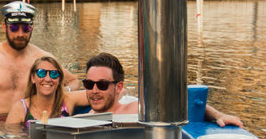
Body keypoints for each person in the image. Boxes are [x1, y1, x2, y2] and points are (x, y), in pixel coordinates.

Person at [0, 1, 78, 120]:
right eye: (14, 28)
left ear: (32, 28)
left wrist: (62, 92)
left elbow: (73, 81)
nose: (20, 34)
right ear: (4, 27)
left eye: (26, 28)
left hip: (26, 126)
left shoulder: (42, 58)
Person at [82, 52, 243, 126]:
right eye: (89, 84)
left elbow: (183, 104)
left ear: (118, 87)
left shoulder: (137, 110)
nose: (94, 90)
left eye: (101, 85)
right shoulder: (83, 120)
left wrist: (219, 115)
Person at [5, 54, 86, 127]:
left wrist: (92, 113)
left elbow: (95, 95)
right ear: (33, 78)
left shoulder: (67, 100)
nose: (48, 79)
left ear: (59, 80)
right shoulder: (20, 108)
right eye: (41, 73)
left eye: (54, 74)